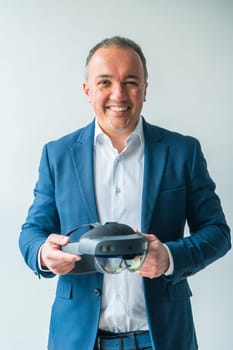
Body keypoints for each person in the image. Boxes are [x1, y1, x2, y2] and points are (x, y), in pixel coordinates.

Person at [19, 36, 231, 350]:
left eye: (130, 82)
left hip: (163, 338)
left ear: (145, 89)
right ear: (87, 90)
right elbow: (32, 231)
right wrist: (43, 255)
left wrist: (169, 258)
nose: (118, 95)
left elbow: (217, 233)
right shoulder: (57, 154)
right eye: (105, 82)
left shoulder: (182, 151)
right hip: (79, 340)